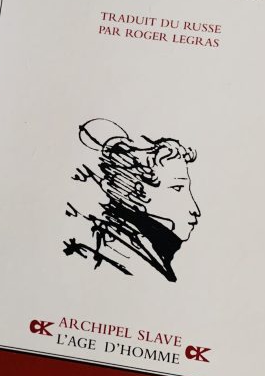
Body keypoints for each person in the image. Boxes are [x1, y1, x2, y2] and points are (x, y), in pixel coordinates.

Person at [67, 118, 200, 282]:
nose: (195, 210)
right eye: (177, 188)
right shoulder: (112, 256)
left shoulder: (145, 250)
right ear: (138, 191)